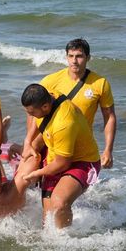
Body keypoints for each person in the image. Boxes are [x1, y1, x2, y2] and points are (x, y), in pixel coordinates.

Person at [22, 38, 117, 169]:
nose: (74, 61)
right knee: (33, 178)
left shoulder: (100, 84)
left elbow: (109, 117)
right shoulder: (50, 81)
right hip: (50, 139)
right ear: (66, 57)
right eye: (70, 56)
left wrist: (108, 150)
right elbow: (32, 111)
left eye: (79, 56)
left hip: (80, 144)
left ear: (88, 58)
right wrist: (30, 141)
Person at [21, 84, 101, 228]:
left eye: (33, 113)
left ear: (45, 107)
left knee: (59, 204)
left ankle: (66, 241)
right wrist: (30, 142)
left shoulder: (64, 122)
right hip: (56, 155)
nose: (31, 116)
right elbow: (41, 122)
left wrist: (37, 173)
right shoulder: (49, 96)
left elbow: (62, 164)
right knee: (48, 220)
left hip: (83, 162)